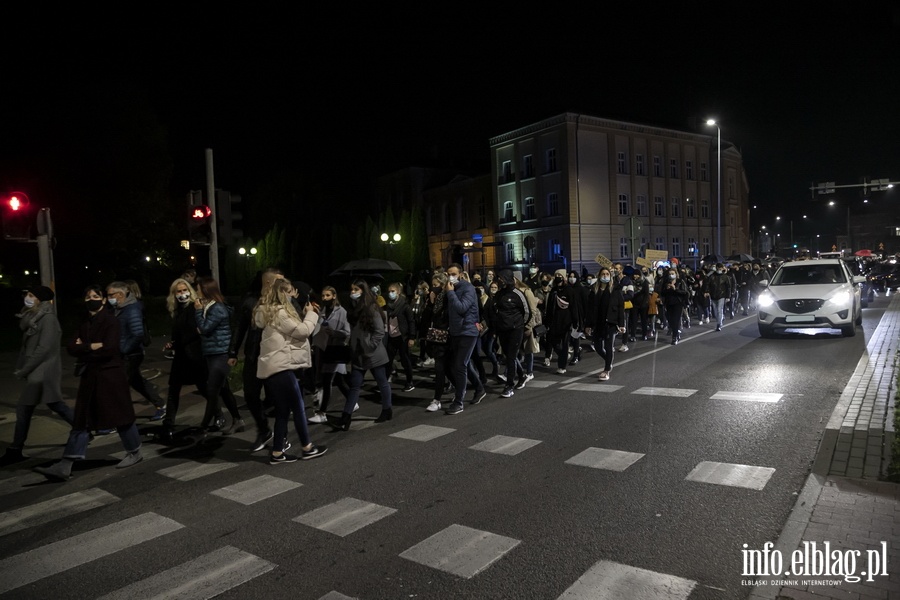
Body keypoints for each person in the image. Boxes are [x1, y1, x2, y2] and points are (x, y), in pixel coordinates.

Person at [34, 286, 143, 481]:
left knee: (120, 416)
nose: (91, 299)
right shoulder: (84, 321)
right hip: (90, 376)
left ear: (102, 300)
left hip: (110, 376)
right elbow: (70, 347)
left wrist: (83, 348)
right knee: (81, 420)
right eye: (87, 296)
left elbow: (109, 348)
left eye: (95, 296)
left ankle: (134, 451)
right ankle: (65, 464)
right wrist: (91, 346)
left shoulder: (111, 321)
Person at [255, 279, 328, 463]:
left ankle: (277, 452)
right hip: (281, 367)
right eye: (289, 292)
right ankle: (307, 447)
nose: (293, 294)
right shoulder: (279, 312)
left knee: (283, 411)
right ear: (282, 293)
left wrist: (304, 315)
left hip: (274, 367)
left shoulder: (271, 312)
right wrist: (311, 315)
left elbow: (292, 331)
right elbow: (302, 331)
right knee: (298, 407)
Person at [1, 287, 75, 465]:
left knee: (24, 409)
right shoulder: (33, 317)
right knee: (55, 404)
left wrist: (25, 369)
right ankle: (83, 430)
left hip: (44, 372)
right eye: (26, 294)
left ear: (40, 299)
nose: (27, 298)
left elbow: (43, 349)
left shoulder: (47, 318)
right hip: (38, 371)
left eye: (31, 295)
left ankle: (15, 449)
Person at [229, 269, 280, 451]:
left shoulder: (283, 300)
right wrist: (232, 352)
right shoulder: (250, 301)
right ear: (266, 282)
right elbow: (240, 326)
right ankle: (264, 430)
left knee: (278, 397)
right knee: (251, 394)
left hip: (276, 356)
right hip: (254, 354)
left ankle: (282, 439)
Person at [331, 280, 393, 430]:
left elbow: (379, 331)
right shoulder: (355, 308)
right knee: (355, 385)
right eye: (351, 289)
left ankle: (387, 409)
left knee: (381, 382)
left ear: (363, 291)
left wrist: (369, 345)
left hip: (373, 354)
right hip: (359, 353)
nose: (353, 292)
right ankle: (346, 417)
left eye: (356, 289)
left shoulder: (371, 308)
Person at [106, 281, 166, 420]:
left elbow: (137, 333)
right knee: (136, 381)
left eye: (111, 295)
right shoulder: (118, 308)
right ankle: (160, 405)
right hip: (126, 353)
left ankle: (116, 418)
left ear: (120, 294)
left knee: (118, 385)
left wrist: (124, 348)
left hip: (131, 354)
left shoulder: (131, 309)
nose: (109, 298)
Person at [159, 278, 208, 441]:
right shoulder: (176, 310)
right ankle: (168, 424)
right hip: (181, 356)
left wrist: (178, 342)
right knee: (173, 390)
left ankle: (218, 414)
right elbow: (178, 332)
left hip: (194, 355)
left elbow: (195, 331)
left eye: (184, 290)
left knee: (203, 388)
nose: (182, 294)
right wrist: (172, 343)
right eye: (178, 291)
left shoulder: (195, 307)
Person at [195, 276, 244, 434]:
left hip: (220, 353)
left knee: (212, 390)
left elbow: (205, 329)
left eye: (198, 288)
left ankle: (203, 427)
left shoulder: (217, 308)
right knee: (223, 390)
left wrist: (197, 313)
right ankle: (238, 420)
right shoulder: (209, 306)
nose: (196, 291)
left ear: (205, 290)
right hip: (212, 352)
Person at [443, 263, 482, 415]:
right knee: (461, 364)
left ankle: (459, 401)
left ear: (460, 274)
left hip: (468, 331)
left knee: (460, 365)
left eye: (453, 273)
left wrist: (450, 294)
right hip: (456, 331)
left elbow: (461, 308)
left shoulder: (467, 288)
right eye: (448, 273)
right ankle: (479, 388)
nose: (450, 276)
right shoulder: (451, 287)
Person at [309, 285, 352, 424]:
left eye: (327, 295)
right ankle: (353, 401)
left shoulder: (342, 312)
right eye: (323, 296)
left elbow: (347, 332)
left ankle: (322, 413)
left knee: (327, 381)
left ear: (334, 296)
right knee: (339, 380)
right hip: (324, 348)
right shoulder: (322, 310)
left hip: (336, 349)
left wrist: (334, 333)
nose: (324, 298)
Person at [491, 270, 529, 397]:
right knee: (508, 356)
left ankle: (509, 385)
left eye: (502, 278)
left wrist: (520, 325)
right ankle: (522, 376)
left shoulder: (517, 294)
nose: (500, 281)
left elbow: (527, 311)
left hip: (515, 329)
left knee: (511, 357)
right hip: (503, 329)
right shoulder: (499, 294)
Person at [420, 272, 454, 412]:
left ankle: (437, 399)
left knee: (440, 369)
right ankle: (464, 388)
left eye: (436, 285)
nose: (433, 288)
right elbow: (426, 317)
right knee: (446, 369)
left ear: (442, 284)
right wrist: (431, 303)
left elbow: (446, 316)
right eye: (432, 285)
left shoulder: (447, 297)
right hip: (435, 337)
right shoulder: (432, 299)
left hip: (446, 337)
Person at [585, 268, 626, 381]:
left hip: (611, 322)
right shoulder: (594, 290)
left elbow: (620, 307)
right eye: (603, 274)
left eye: (607, 274)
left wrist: (622, 324)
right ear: (599, 276)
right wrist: (588, 325)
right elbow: (589, 309)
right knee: (598, 347)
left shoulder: (615, 289)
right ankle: (609, 361)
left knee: (609, 347)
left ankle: (606, 370)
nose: (605, 276)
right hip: (598, 322)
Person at [545, 270, 581, 374]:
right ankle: (563, 355)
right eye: (556, 275)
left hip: (566, 322)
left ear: (564, 277)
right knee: (553, 342)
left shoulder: (569, 290)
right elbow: (550, 307)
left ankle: (562, 366)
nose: (557, 277)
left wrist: (575, 322)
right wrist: (547, 321)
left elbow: (574, 307)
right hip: (554, 322)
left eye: (559, 275)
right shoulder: (554, 290)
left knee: (565, 344)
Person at [384, 282, 417, 392]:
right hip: (391, 337)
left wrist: (412, 337)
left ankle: (409, 382)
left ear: (398, 292)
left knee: (405, 360)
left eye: (393, 291)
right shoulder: (388, 307)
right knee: (388, 360)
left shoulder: (404, 306)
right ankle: (386, 380)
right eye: (389, 291)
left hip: (402, 337)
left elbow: (411, 321)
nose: (390, 293)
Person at [660, 268, 690, 345]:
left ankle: (674, 337)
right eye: (670, 274)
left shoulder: (680, 282)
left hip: (678, 303)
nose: (671, 275)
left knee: (676, 320)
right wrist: (666, 289)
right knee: (670, 320)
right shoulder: (666, 282)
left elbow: (685, 292)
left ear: (676, 274)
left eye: (672, 273)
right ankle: (676, 333)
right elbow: (662, 293)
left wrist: (675, 289)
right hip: (669, 303)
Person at [703, 262, 734, 331]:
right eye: (718, 268)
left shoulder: (725, 277)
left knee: (719, 309)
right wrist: (707, 291)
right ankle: (720, 319)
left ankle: (719, 324)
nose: (719, 269)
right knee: (715, 310)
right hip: (713, 295)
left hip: (722, 295)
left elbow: (728, 287)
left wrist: (728, 296)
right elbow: (707, 284)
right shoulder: (712, 276)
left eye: (720, 268)